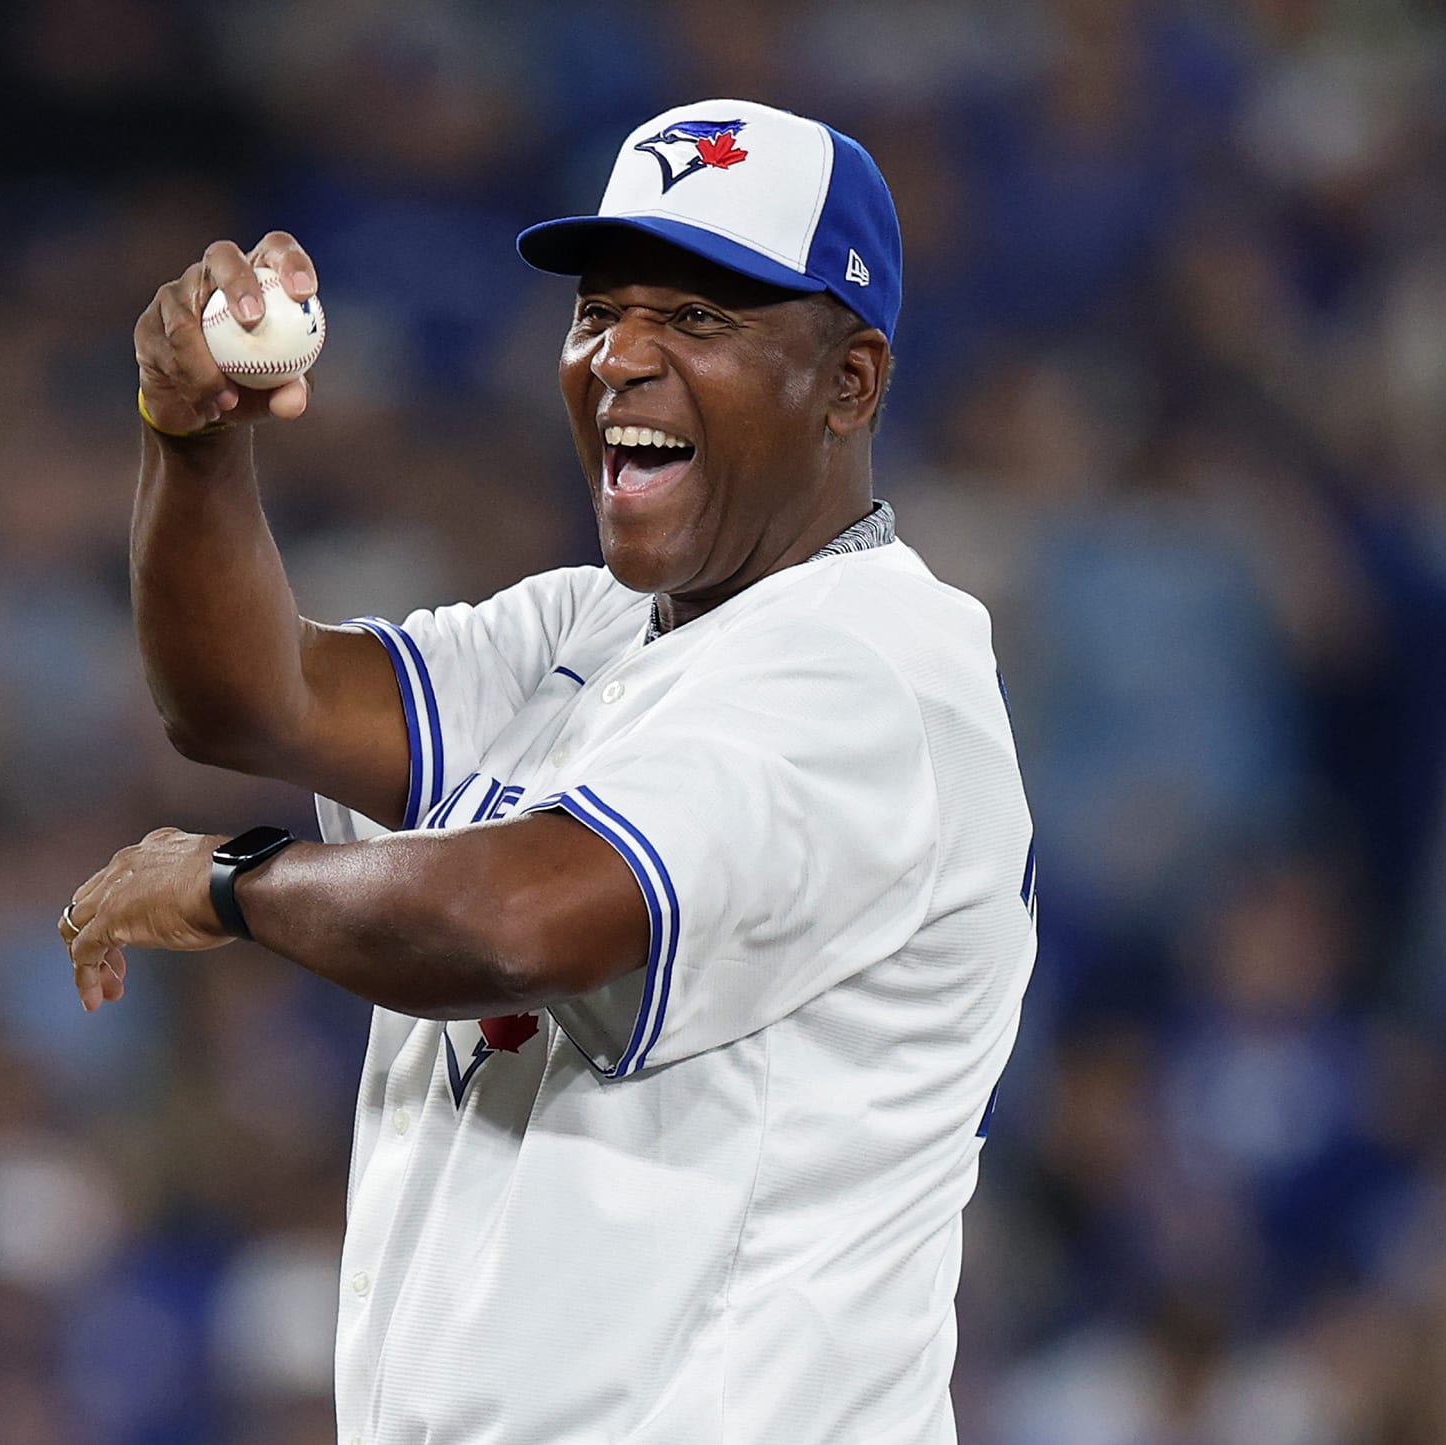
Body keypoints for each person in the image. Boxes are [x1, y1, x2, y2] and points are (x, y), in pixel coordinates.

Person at [61, 99, 1036, 1443]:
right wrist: (194, 436)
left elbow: (522, 922)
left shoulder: (875, 664)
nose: (618, 356)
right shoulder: (585, 629)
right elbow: (245, 700)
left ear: (850, 381)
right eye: (600, 311)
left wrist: (236, 882)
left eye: (697, 320)